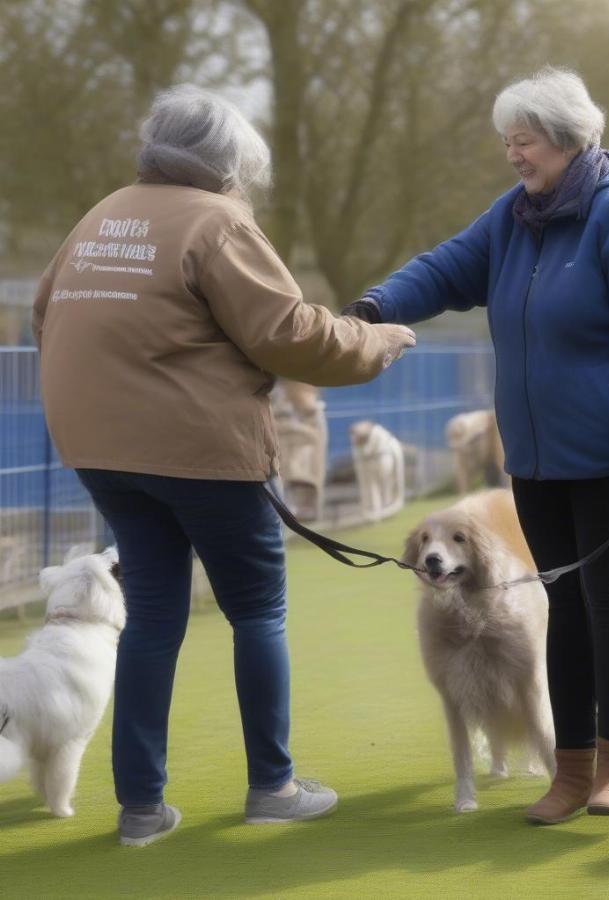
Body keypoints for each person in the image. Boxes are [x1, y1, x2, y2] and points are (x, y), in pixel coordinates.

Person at [31, 85, 416, 846]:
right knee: (257, 610)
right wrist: (378, 343)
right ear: (226, 162)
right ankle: (272, 785)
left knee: (152, 616)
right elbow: (289, 332)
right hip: (200, 451)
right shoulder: (216, 221)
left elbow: (47, 315)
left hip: (100, 451)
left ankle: (141, 808)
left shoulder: (100, 215)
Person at [342, 67, 609, 824]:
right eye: (507, 141)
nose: (513, 154)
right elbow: (446, 267)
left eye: (526, 140)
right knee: (562, 608)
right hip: (538, 462)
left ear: (570, 140)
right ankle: (568, 773)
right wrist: (376, 304)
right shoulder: (514, 217)